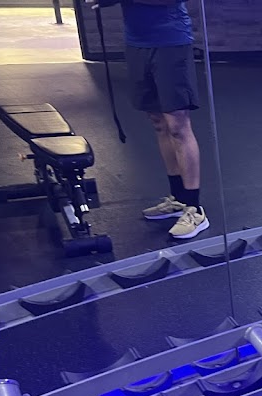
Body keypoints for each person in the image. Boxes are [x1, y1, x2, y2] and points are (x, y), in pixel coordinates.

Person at [94, 0, 208, 240]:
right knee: (159, 123)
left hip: (170, 42)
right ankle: (178, 199)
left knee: (177, 126)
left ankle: (195, 209)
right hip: (136, 43)